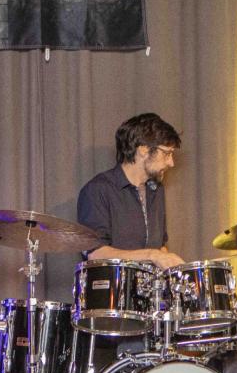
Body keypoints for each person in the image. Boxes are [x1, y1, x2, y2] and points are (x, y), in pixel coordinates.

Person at [77, 112, 185, 270]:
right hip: (115, 284)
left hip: (151, 285)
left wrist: (170, 264)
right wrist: (152, 255)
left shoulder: (156, 189)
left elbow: (160, 246)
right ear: (143, 150)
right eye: (167, 153)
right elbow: (95, 254)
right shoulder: (97, 190)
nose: (171, 162)